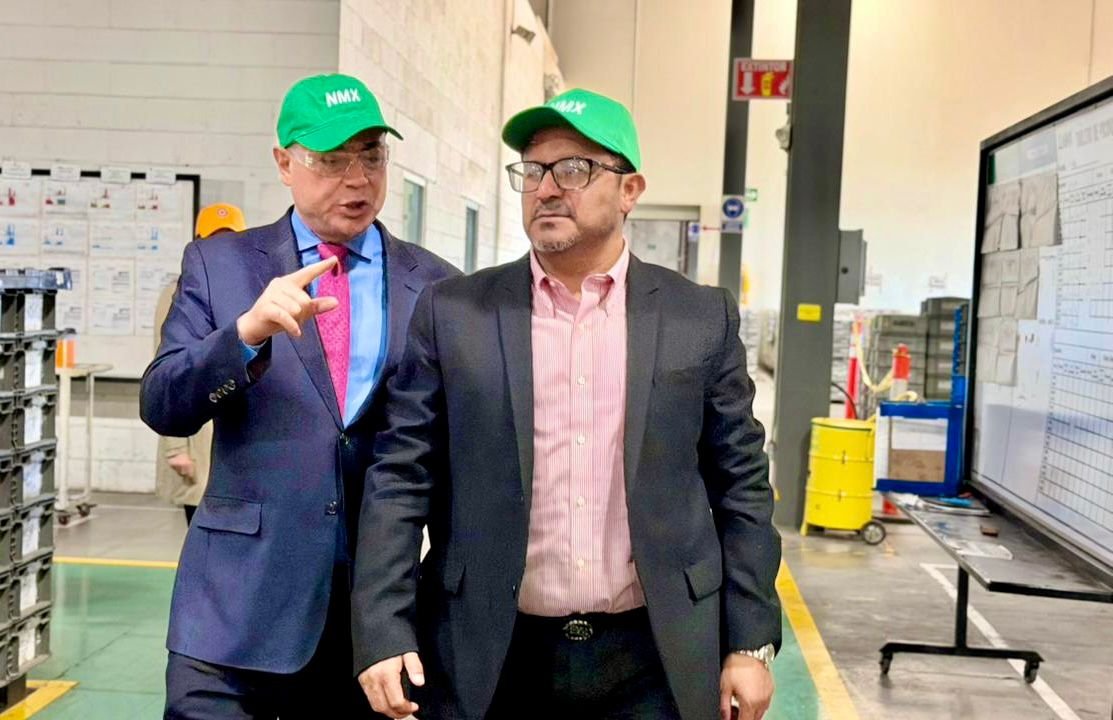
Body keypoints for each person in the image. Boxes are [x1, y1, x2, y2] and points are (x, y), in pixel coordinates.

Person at [352, 88, 782, 720]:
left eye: (574, 169)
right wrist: (383, 628)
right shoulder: (457, 314)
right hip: (492, 653)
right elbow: (400, 475)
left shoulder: (697, 317)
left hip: (655, 656)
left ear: (630, 189)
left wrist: (749, 642)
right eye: (532, 171)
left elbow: (741, 485)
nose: (547, 189)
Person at [140, 73, 458, 719]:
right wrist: (244, 335)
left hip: (369, 620)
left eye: (371, 157)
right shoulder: (220, 266)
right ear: (284, 163)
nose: (357, 179)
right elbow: (164, 403)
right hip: (233, 610)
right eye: (332, 161)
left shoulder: (435, 287)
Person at [153, 202, 248, 527]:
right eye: (213, 239)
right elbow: (166, 369)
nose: (222, 248)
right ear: (198, 242)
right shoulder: (178, 295)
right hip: (196, 438)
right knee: (201, 531)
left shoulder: (251, 291)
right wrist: (175, 448)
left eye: (230, 239)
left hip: (238, 442)